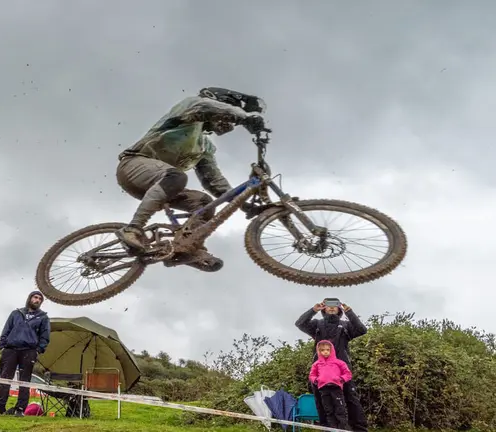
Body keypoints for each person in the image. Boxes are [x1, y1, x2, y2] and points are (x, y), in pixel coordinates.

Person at [114, 87, 268, 271]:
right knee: (177, 176)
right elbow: (205, 107)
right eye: (224, 114)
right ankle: (133, 229)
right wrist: (244, 116)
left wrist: (244, 205)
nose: (227, 125)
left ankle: (187, 248)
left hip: (161, 185)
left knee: (203, 203)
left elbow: (214, 183)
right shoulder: (190, 106)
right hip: (134, 165)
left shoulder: (204, 146)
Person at [295, 299, 368, 431]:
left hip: (342, 372)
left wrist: (349, 312)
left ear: (339, 308)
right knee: (323, 405)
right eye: (328, 305)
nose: (332, 308)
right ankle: (328, 429)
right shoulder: (317, 324)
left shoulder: (345, 325)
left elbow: (362, 330)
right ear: (324, 309)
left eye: (335, 305)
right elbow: (300, 323)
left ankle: (358, 429)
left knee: (351, 401)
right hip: (321, 374)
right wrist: (313, 310)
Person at [0, 291, 50, 417]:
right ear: (30, 298)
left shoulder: (43, 317)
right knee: (5, 379)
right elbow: (6, 329)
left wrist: (38, 350)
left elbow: (45, 336)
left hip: (29, 351)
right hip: (11, 349)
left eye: (40, 299)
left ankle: (20, 409)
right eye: (35, 297)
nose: (37, 300)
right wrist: (2, 346)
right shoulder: (16, 313)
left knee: (24, 381)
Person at [309, 340, 352, 430]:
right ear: (319, 351)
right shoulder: (316, 364)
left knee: (340, 409)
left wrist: (341, 379)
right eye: (322, 350)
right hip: (323, 389)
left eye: (327, 350)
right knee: (328, 410)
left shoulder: (339, 362)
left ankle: (343, 428)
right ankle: (332, 429)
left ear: (331, 350)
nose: (325, 352)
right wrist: (316, 380)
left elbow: (348, 374)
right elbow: (312, 375)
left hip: (336, 388)